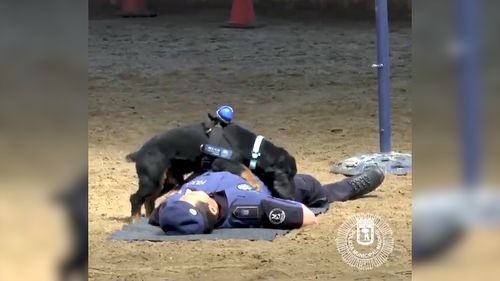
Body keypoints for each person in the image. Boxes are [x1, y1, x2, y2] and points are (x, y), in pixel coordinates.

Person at [149, 167, 385, 235]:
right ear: (212, 207)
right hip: (271, 187)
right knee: (308, 185)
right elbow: (306, 217)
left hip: (223, 170)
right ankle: (344, 189)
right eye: (188, 198)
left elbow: (159, 213)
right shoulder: (247, 207)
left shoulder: (170, 211)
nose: (184, 194)